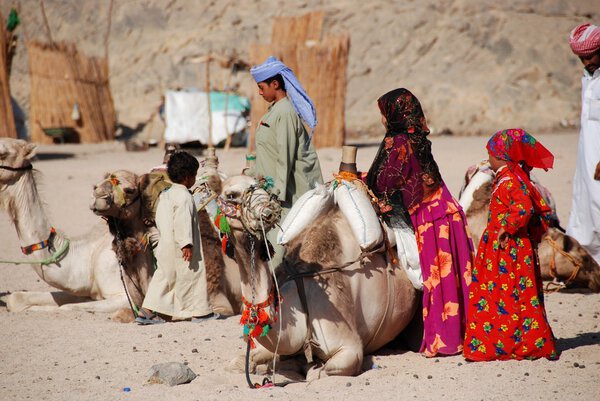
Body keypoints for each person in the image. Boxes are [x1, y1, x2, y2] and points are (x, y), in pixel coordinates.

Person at [365, 88, 474, 357]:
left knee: (437, 277)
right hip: (444, 210)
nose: (381, 119)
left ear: (394, 114)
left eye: (383, 113)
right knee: (452, 279)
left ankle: (445, 339)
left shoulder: (399, 142)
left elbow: (385, 181)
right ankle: (462, 333)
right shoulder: (413, 137)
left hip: (430, 217)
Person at [463, 129, 559, 361]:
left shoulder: (510, 180)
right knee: (510, 293)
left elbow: (524, 207)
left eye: (491, 155)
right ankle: (510, 340)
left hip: (509, 248)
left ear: (503, 156)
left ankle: (514, 343)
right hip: (503, 246)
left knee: (510, 292)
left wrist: (508, 227)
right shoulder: (510, 177)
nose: (488, 160)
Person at [248, 56, 324, 267]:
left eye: (262, 87)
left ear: (275, 84)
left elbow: (285, 157)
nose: (260, 92)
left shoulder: (286, 112)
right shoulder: (274, 111)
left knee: (277, 255)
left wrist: (274, 196)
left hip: (286, 198)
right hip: (270, 192)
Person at [136, 150, 217, 324]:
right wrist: (186, 243)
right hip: (181, 246)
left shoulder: (166, 193)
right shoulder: (184, 196)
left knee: (164, 278)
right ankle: (200, 312)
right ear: (188, 177)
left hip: (166, 244)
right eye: (194, 175)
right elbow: (183, 221)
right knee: (192, 276)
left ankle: (146, 311)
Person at [566, 23, 600, 264]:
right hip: (586, 155)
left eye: (590, 56)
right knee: (585, 209)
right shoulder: (588, 78)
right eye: (582, 58)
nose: (587, 62)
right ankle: (589, 266)